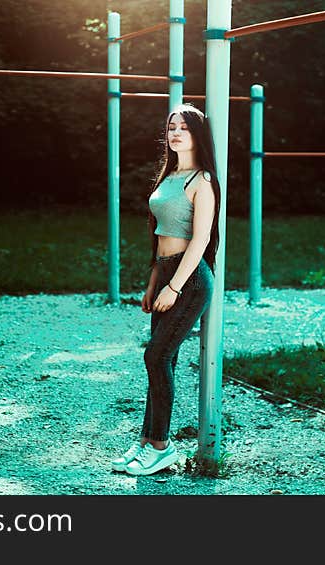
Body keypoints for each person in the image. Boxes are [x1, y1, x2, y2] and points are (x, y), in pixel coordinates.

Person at [111, 104, 221, 476]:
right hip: (167, 274)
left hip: (189, 280)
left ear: (197, 136)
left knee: (156, 358)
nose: (175, 133)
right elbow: (161, 237)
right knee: (162, 361)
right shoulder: (170, 175)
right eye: (171, 127)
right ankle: (146, 440)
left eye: (184, 128)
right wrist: (154, 282)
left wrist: (174, 286)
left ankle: (161, 446)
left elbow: (201, 239)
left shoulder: (201, 180)